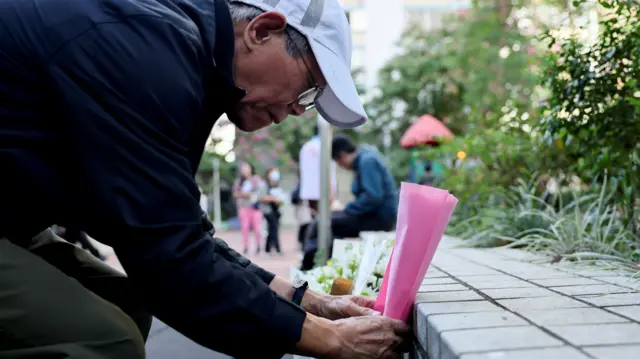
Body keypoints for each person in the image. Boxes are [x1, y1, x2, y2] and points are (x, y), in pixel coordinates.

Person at [0, 0, 408, 358]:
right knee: (102, 341)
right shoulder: (144, 52)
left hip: (18, 224)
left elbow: (184, 233)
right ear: (262, 30)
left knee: (127, 305)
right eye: (307, 89)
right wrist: (334, 341)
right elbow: (173, 261)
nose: (301, 111)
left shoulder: (181, 51)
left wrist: (312, 303)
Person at [302, 135, 398, 270]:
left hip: (380, 218)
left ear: (342, 156)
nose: (342, 167)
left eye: (338, 163)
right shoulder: (365, 158)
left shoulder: (367, 161)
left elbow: (373, 197)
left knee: (323, 223)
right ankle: (321, 266)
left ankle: (310, 268)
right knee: (325, 222)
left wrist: (346, 209)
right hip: (374, 214)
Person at [233, 161, 265, 255]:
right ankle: (246, 246)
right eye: (243, 168)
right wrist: (246, 195)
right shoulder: (239, 181)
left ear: (251, 168)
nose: (245, 170)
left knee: (258, 228)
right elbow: (235, 193)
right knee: (245, 228)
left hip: (255, 207)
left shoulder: (256, 180)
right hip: (244, 207)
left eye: (247, 168)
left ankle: (258, 246)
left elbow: (260, 193)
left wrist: (250, 195)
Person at [261, 167, 287, 255]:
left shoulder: (278, 185)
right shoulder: (264, 185)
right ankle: (278, 249)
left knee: (272, 229)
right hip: (268, 210)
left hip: (276, 210)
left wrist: (280, 200)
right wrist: (273, 198)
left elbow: (282, 197)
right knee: (274, 228)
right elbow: (261, 197)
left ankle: (267, 249)